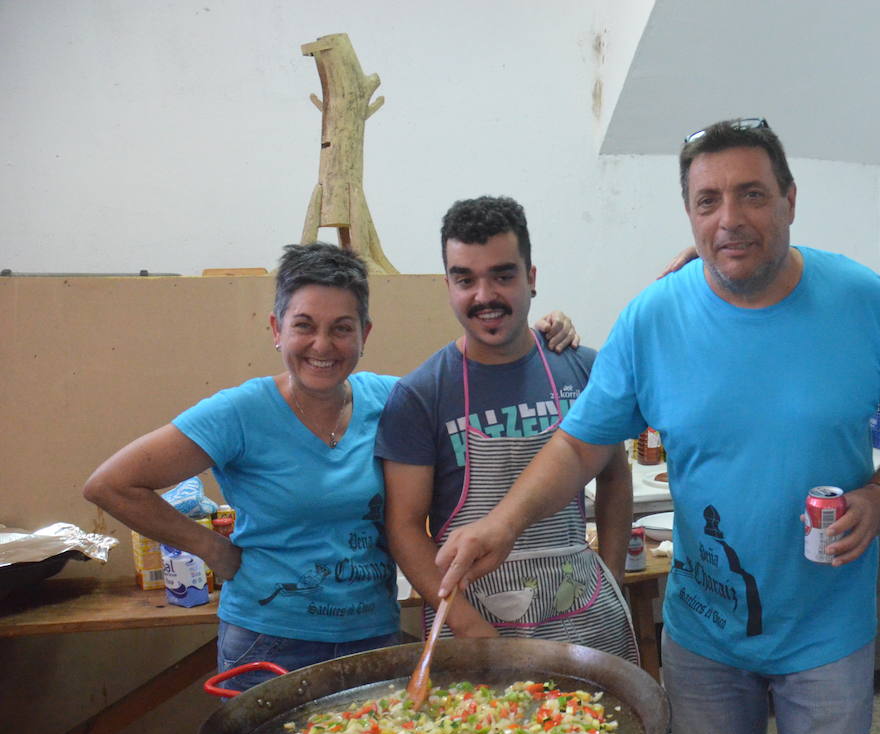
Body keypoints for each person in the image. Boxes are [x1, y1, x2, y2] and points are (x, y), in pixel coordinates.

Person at [433, 120, 880, 734]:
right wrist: (499, 526)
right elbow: (577, 447)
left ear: (790, 201)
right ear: (689, 213)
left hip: (828, 620)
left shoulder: (863, 301)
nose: (729, 218)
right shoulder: (654, 317)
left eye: (751, 194)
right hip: (706, 625)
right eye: (708, 200)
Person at [83, 242, 580, 693]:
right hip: (270, 641)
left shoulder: (395, 400)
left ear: (364, 334)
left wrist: (536, 333)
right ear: (277, 329)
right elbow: (112, 485)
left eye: (342, 328)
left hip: (374, 634)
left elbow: (477, 375)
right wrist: (214, 550)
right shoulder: (238, 413)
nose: (323, 345)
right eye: (304, 325)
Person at [375, 196, 637, 660]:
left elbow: (614, 473)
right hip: (472, 621)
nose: (484, 295)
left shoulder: (581, 368)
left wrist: (613, 574)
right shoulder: (421, 395)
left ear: (531, 278)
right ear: (448, 285)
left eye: (503, 275)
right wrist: (470, 628)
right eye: (465, 279)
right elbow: (404, 528)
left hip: (583, 616)